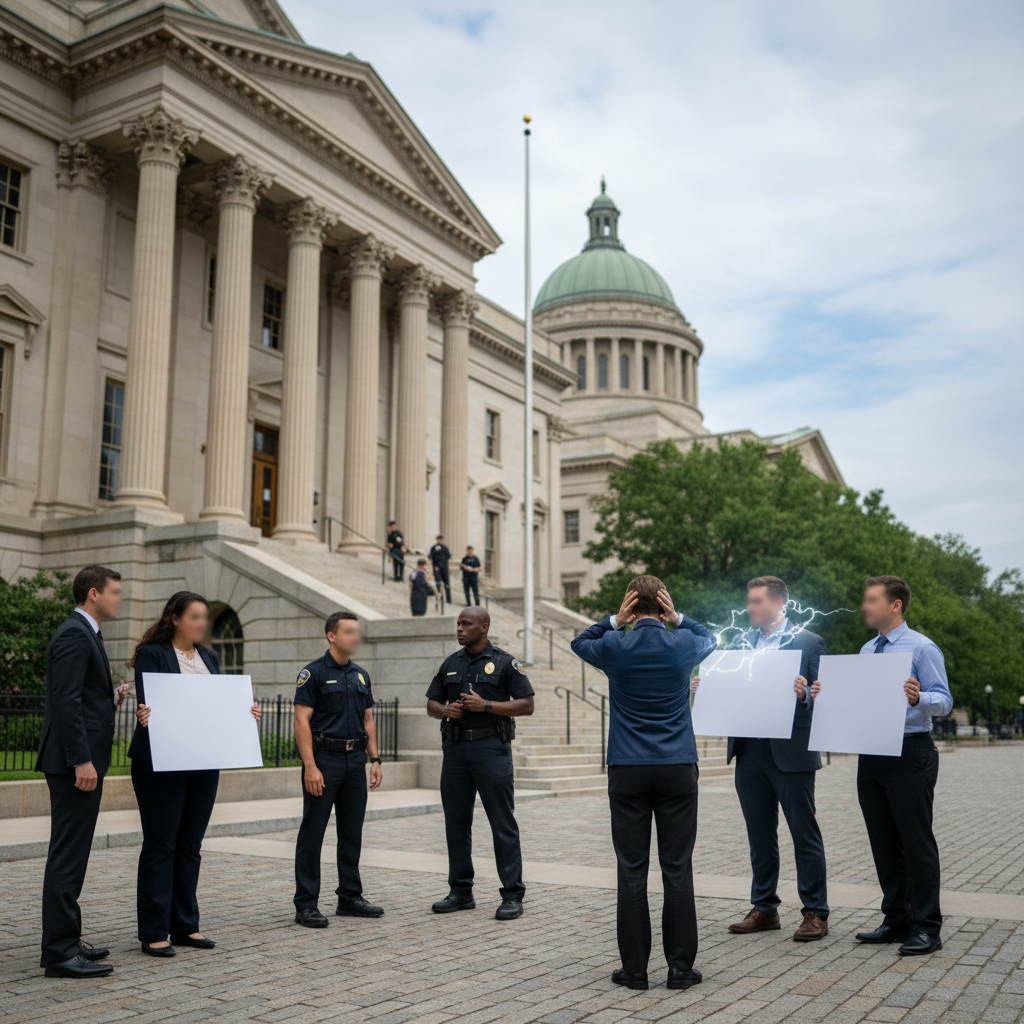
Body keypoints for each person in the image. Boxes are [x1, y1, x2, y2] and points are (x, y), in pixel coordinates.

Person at [571, 576, 715, 992]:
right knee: (677, 868)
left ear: (631, 607)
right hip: (677, 766)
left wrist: (614, 621)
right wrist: (678, 617)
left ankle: (634, 970)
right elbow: (711, 637)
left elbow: (580, 642)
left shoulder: (614, 645)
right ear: (663, 605)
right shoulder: (684, 642)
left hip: (628, 767)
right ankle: (680, 969)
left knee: (632, 869)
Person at [811, 575, 952, 956]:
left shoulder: (921, 648)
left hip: (910, 752)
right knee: (884, 842)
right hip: (872, 753)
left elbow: (944, 701)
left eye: (872, 599)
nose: (865, 606)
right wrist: (826, 694)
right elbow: (860, 701)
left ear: (895, 604)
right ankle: (896, 919)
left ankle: (927, 927)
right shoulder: (866, 649)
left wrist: (919, 697)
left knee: (916, 843)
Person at [692, 576, 829, 941]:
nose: (750, 607)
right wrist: (705, 688)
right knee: (759, 836)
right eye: (749, 601)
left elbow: (826, 698)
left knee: (804, 834)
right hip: (749, 752)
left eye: (757, 601)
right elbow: (732, 691)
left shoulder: (809, 642)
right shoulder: (739, 644)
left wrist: (805, 694)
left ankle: (816, 912)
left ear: (779, 603)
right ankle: (765, 908)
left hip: (792, 754)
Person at [129, 591, 261, 957]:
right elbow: (150, 704)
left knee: (190, 845)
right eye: (195, 617)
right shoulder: (153, 654)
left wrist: (244, 711)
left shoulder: (209, 657)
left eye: (205, 617)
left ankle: (185, 925)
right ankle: (154, 931)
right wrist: (144, 713)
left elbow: (213, 707)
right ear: (175, 618)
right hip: (161, 762)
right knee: (161, 845)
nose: (202, 623)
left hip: (203, 762)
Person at [37, 564, 128, 978]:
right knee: (68, 855)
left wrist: (111, 697)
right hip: (74, 763)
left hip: (79, 760)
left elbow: (83, 696)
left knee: (74, 854)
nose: (119, 599)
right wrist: (81, 759)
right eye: (114, 592)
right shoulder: (75, 633)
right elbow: (65, 701)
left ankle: (67, 941)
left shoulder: (88, 632)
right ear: (94, 593)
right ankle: (59, 952)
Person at [425, 607, 534, 920]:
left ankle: (512, 894)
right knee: (456, 823)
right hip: (455, 752)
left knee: (502, 822)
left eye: (467, 624)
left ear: (484, 627)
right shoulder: (450, 663)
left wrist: (485, 705)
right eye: (458, 623)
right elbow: (431, 703)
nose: (460, 629)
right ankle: (460, 891)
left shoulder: (504, 662)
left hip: (491, 749)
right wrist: (444, 710)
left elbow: (527, 704)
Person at [293, 611, 384, 928]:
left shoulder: (360, 675)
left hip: (355, 762)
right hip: (325, 762)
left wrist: (375, 759)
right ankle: (306, 903)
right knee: (313, 833)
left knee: (351, 833)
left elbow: (368, 720)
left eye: (356, 632)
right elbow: (301, 720)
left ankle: (349, 897)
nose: (355, 637)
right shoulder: (313, 673)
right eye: (349, 632)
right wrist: (310, 766)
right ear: (332, 636)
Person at [430, 535, 452, 603]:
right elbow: (431, 556)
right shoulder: (433, 548)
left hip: (444, 567)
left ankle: (448, 599)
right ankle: (439, 597)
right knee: (438, 582)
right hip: (437, 567)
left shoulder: (445, 548)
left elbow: (448, 556)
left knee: (447, 583)